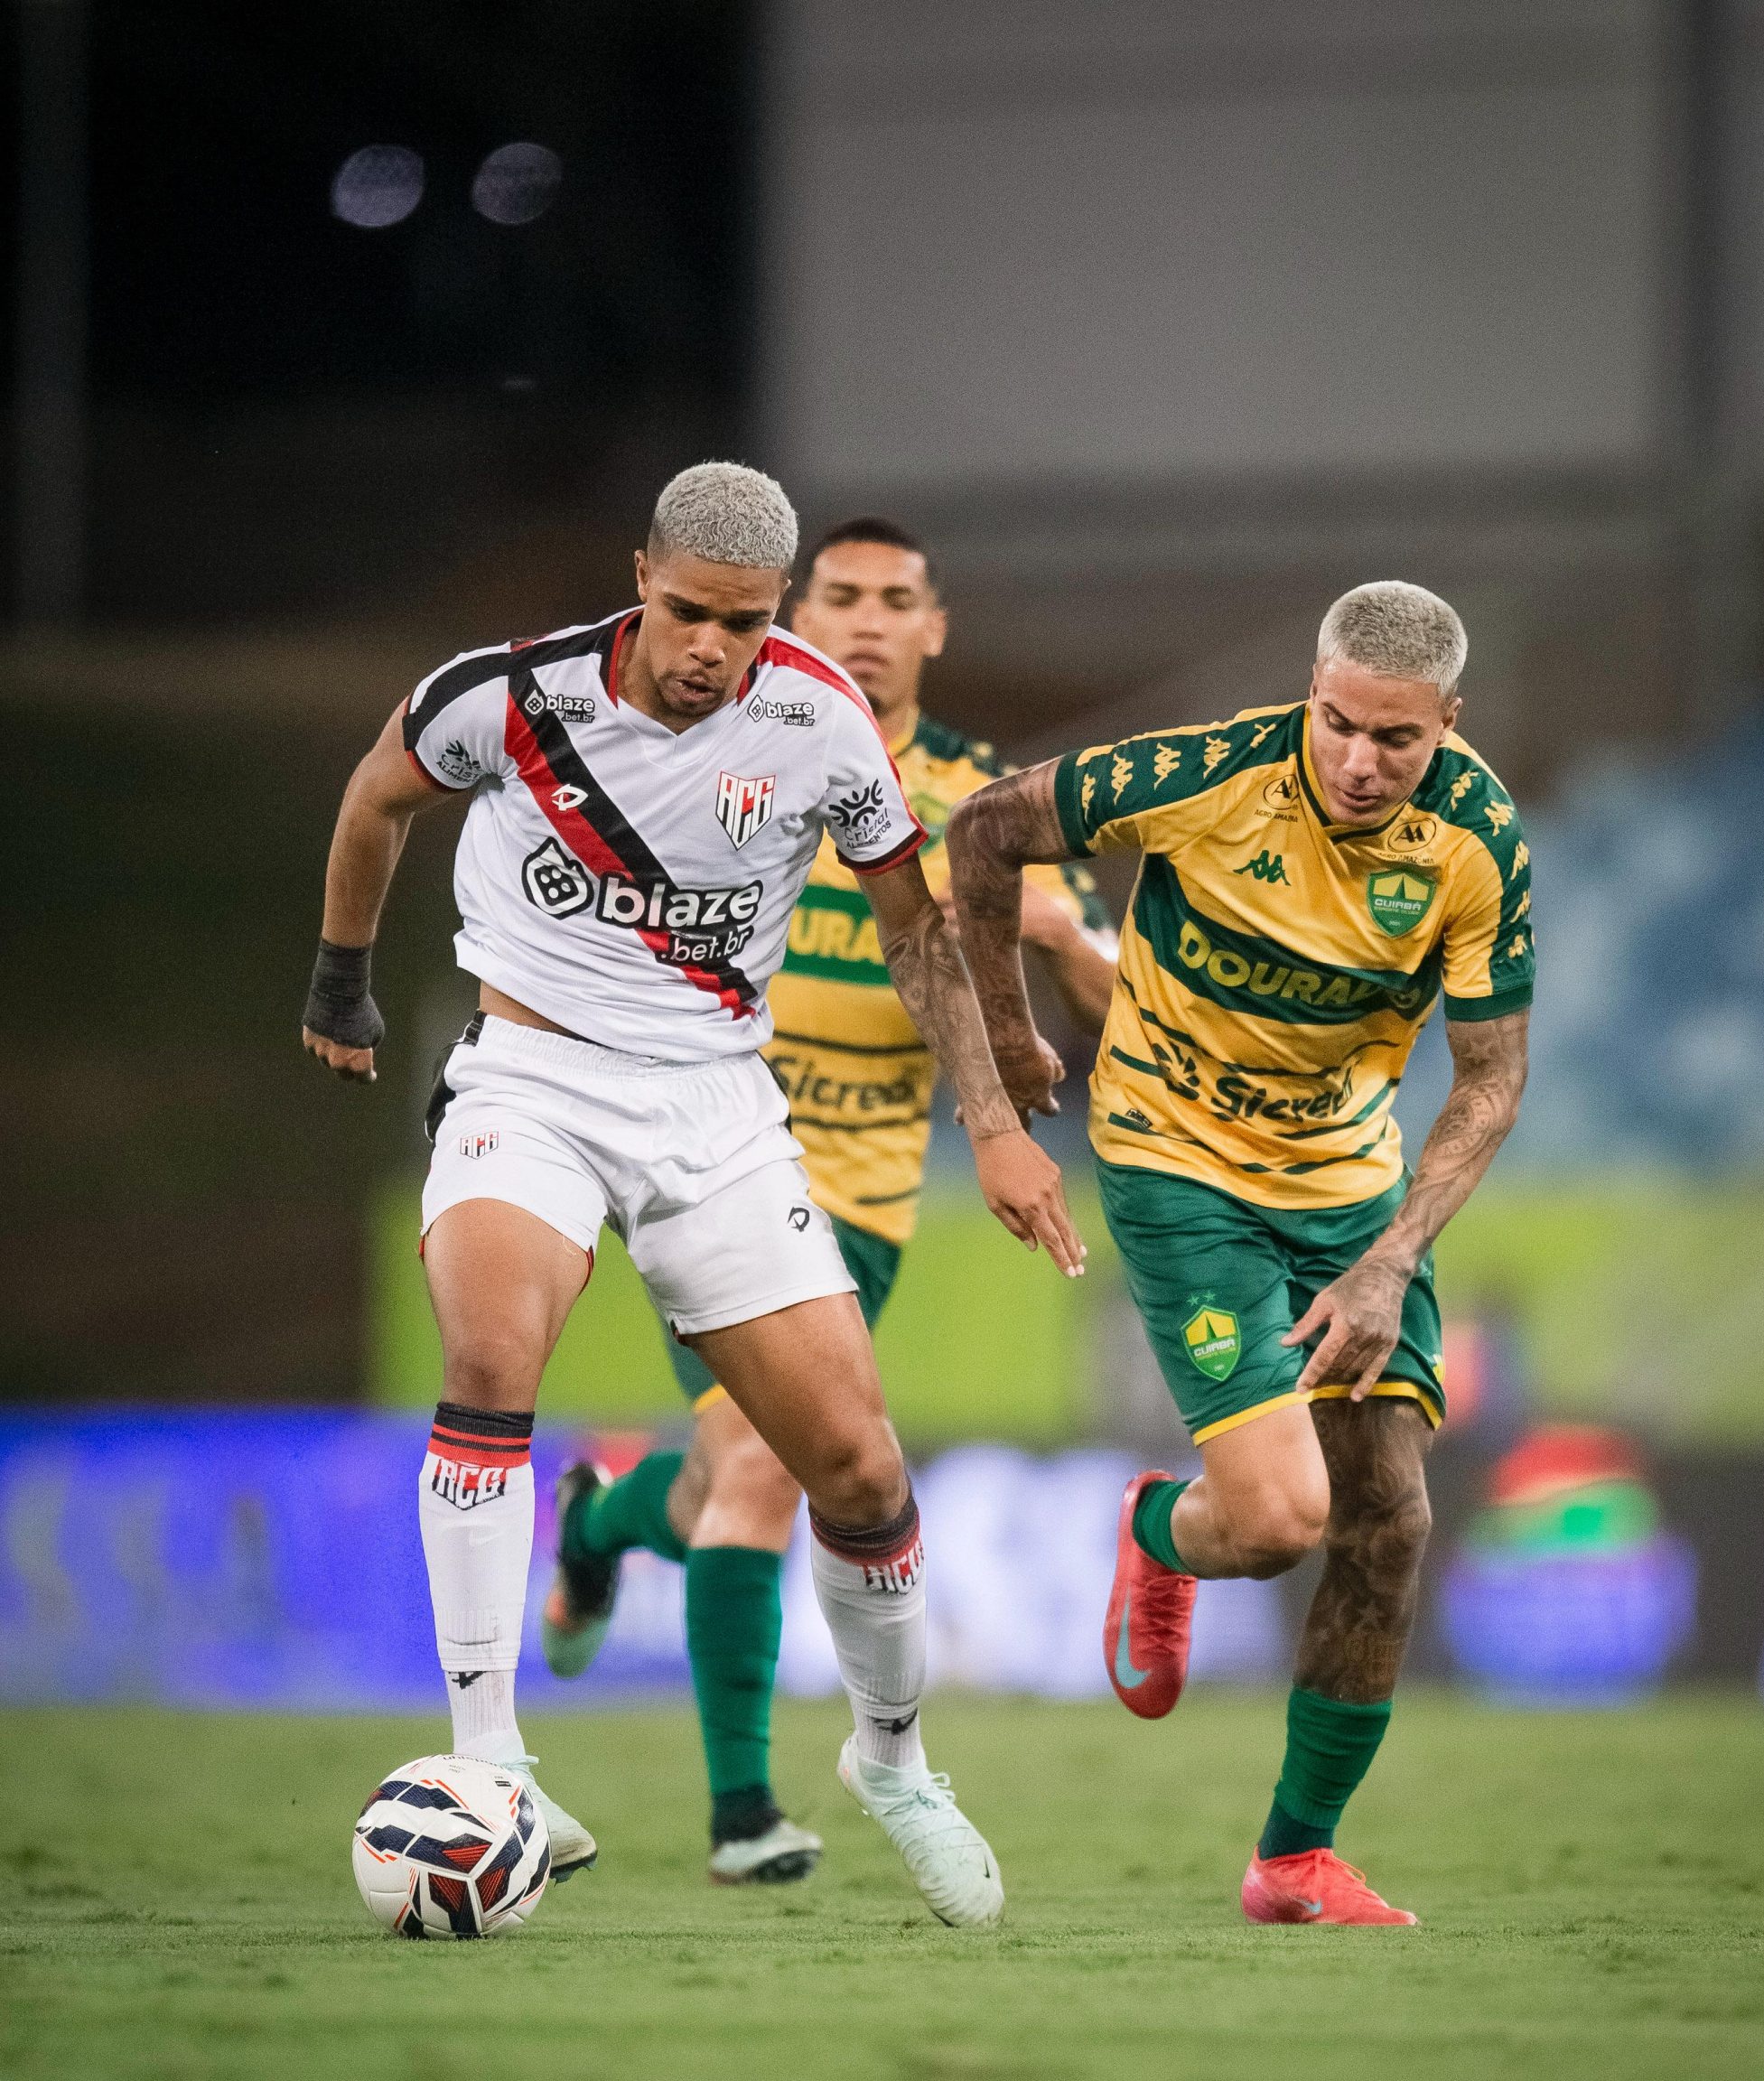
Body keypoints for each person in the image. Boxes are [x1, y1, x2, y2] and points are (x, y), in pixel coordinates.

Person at [302, 462, 1085, 1929]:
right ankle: (494, 1765)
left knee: (857, 1470)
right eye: (687, 613)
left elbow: (916, 933)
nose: (711, 648)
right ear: (640, 579)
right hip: (530, 1081)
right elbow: (375, 795)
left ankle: (892, 1762)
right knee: (490, 1358)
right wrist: (342, 981)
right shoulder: (511, 696)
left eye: (744, 621)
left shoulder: (817, 720)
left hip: (719, 1112)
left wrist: (992, 1123)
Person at [541, 518, 1117, 1886]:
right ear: (798, 612)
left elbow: (1118, 1006)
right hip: (704, 1154)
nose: (865, 619)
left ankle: (602, 1523)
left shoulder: (992, 800)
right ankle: (745, 1816)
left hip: (864, 1199)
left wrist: (1053, 931)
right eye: (840, 595)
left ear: (935, 627)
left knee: (722, 1481)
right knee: (757, 1465)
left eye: (894, 599)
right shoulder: (718, 741)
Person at [947, 581, 1533, 1926]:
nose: (1359, 761)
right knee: (1274, 1526)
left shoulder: (1478, 842)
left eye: (1397, 738)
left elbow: (1492, 1079)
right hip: (1176, 1161)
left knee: (1390, 1517)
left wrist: (1391, 1257)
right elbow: (984, 830)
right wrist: (1011, 1033)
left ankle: (1294, 1860)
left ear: (1449, 722)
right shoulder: (1206, 774)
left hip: (1348, 1190)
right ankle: (1158, 1528)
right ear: (1310, 691)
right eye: (1338, 723)